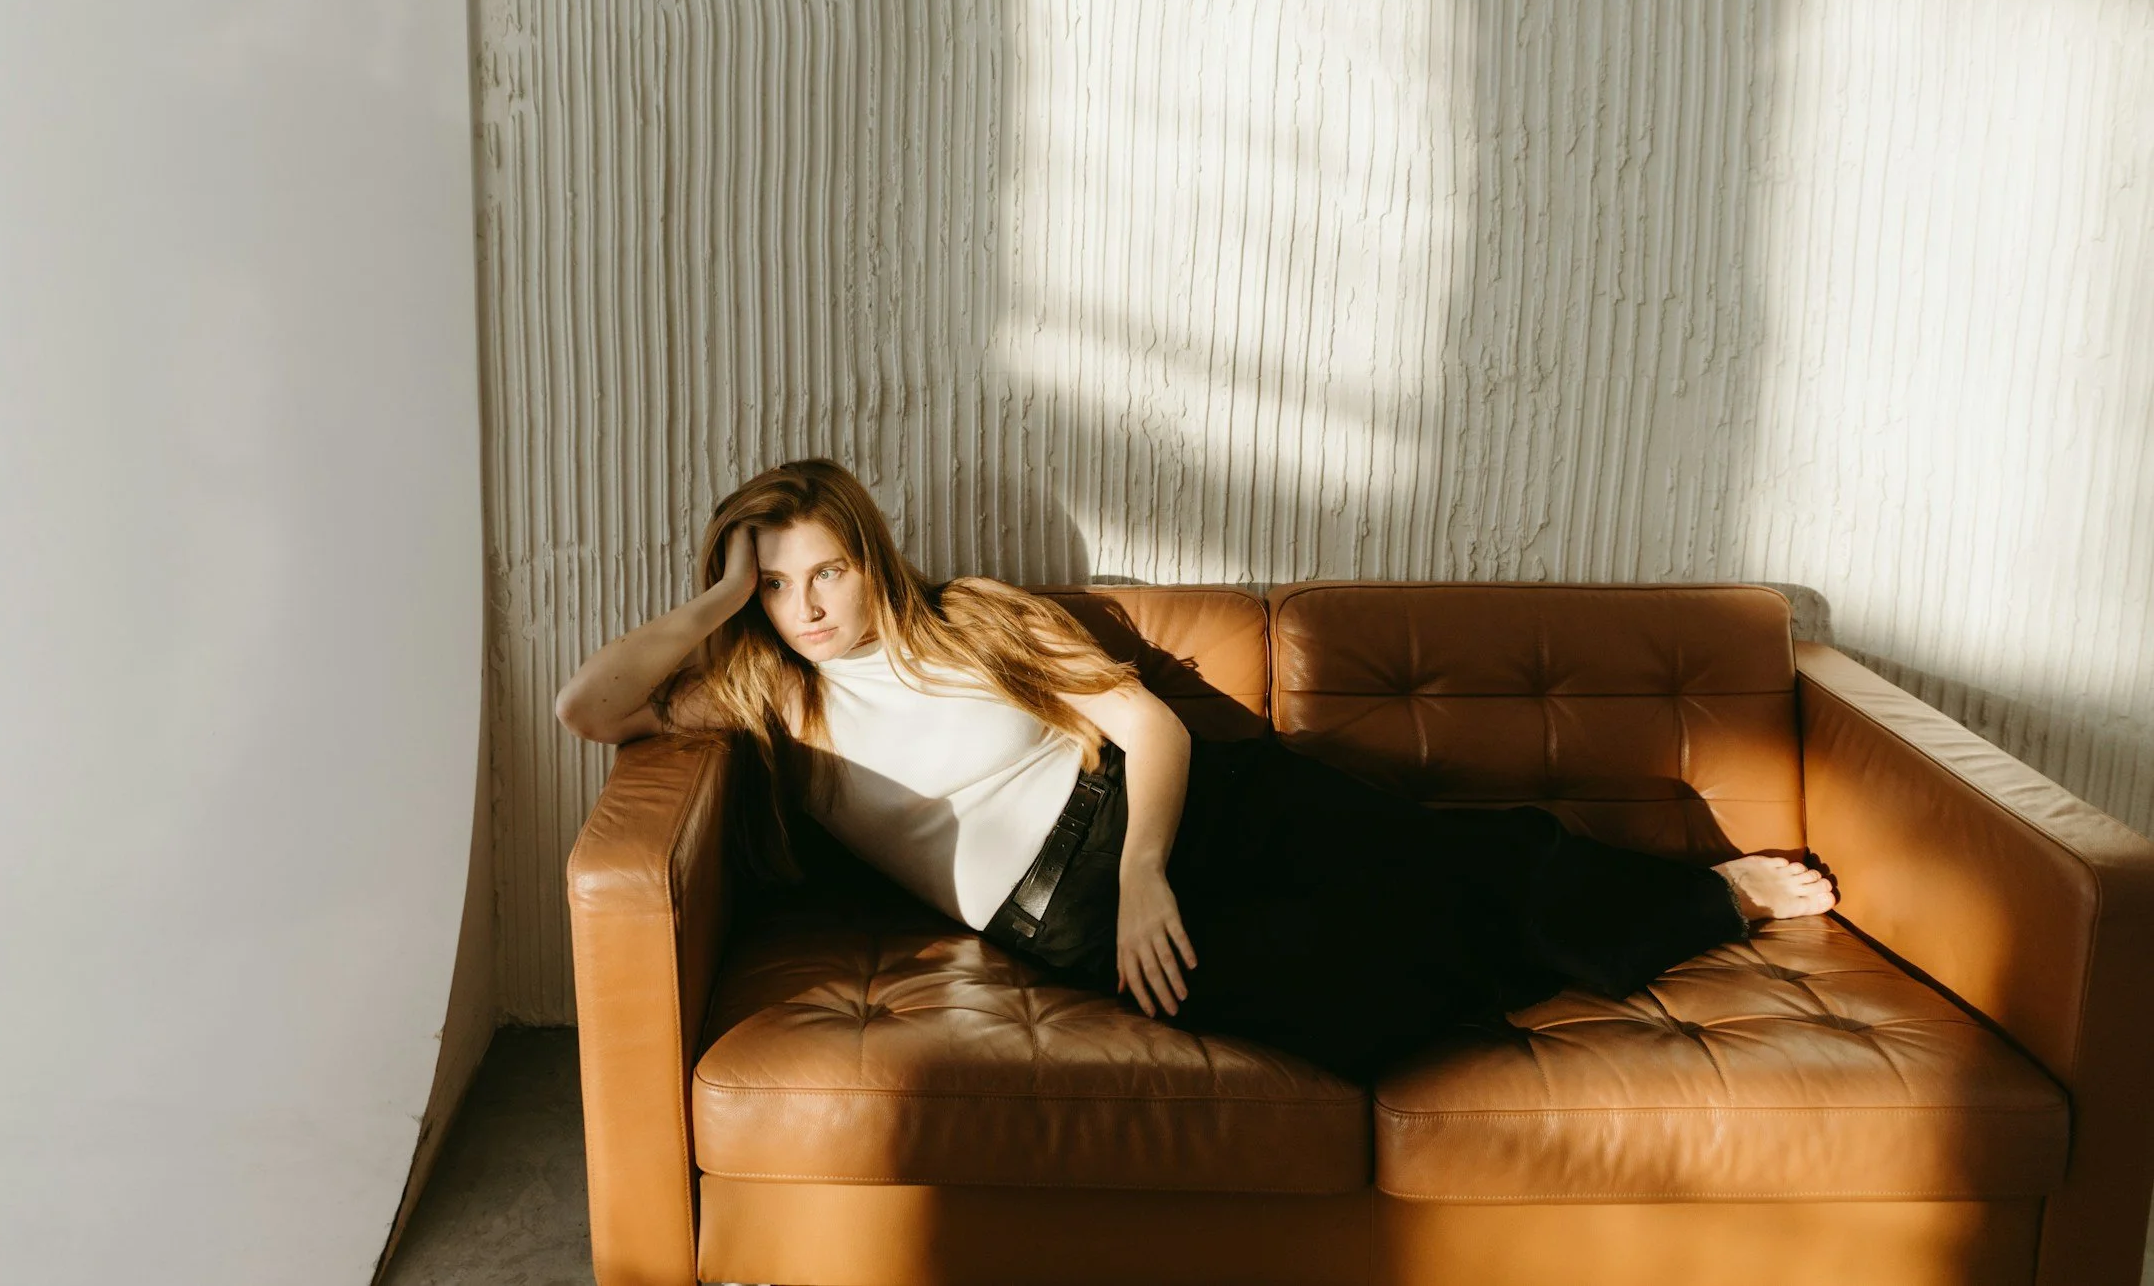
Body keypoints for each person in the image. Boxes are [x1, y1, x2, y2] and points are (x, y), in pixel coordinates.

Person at [554, 458, 1837, 1082]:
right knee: (1352, 1003)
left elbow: (1150, 726)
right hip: (1056, 913)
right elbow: (587, 705)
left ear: (868, 554)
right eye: (776, 583)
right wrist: (722, 590)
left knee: (1452, 847)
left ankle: (1706, 895)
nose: (807, 602)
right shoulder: (764, 693)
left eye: (822, 566)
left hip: (1180, 809)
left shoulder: (974, 617)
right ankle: (1551, 950)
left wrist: (1149, 872)